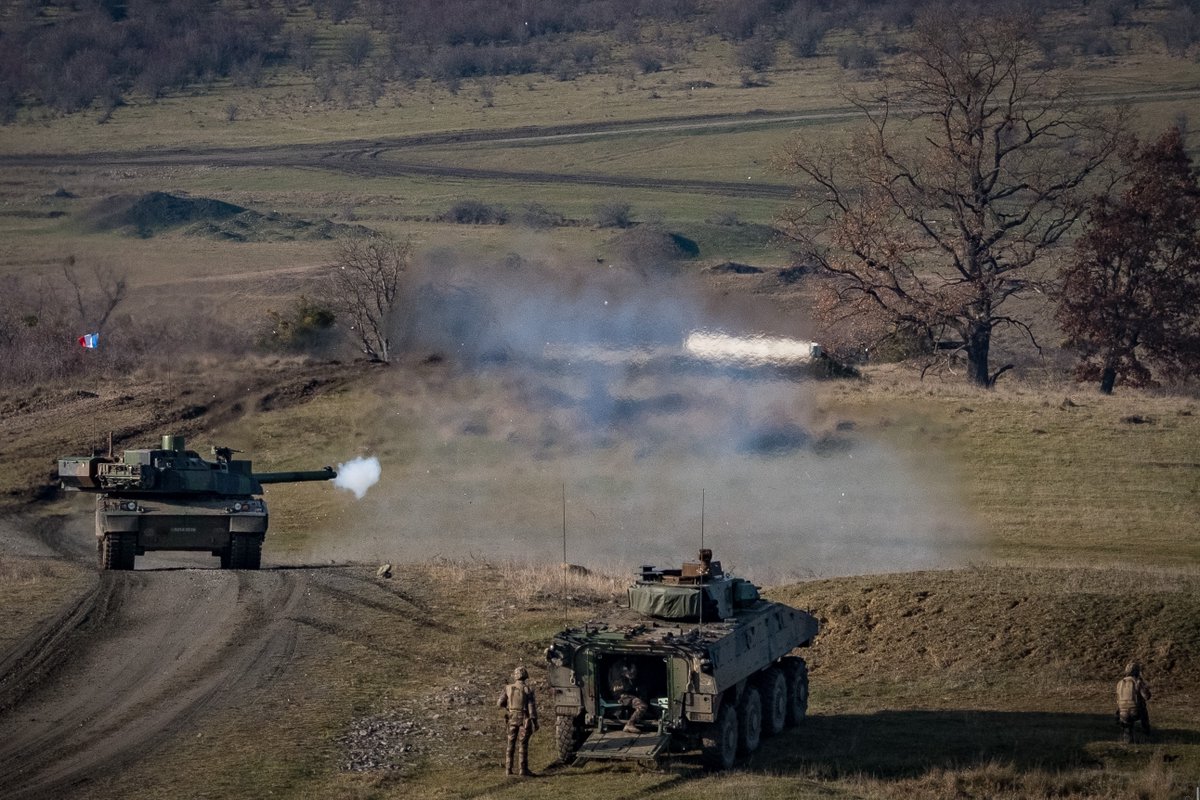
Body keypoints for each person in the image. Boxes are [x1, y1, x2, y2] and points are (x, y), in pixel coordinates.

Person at [498, 665, 538, 776]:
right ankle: (523, 769)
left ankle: (508, 769)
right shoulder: (527, 689)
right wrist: (535, 721)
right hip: (524, 719)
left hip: (511, 718)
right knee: (523, 744)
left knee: (510, 744)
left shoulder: (508, 688)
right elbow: (531, 707)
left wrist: (508, 707)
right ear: (525, 676)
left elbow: (499, 703)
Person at [607, 658, 649, 734]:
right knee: (642, 706)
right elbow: (619, 691)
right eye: (631, 672)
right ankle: (630, 724)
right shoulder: (620, 680)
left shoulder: (631, 678)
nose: (634, 673)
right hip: (623, 697)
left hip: (628, 696)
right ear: (625, 672)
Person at [1116, 661, 1152, 742]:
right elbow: (1147, 697)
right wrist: (1146, 687)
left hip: (1122, 713)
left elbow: (1118, 699)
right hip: (1135, 712)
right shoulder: (1138, 682)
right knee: (1143, 711)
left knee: (1127, 724)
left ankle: (1127, 738)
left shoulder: (1120, 683)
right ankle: (1146, 735)